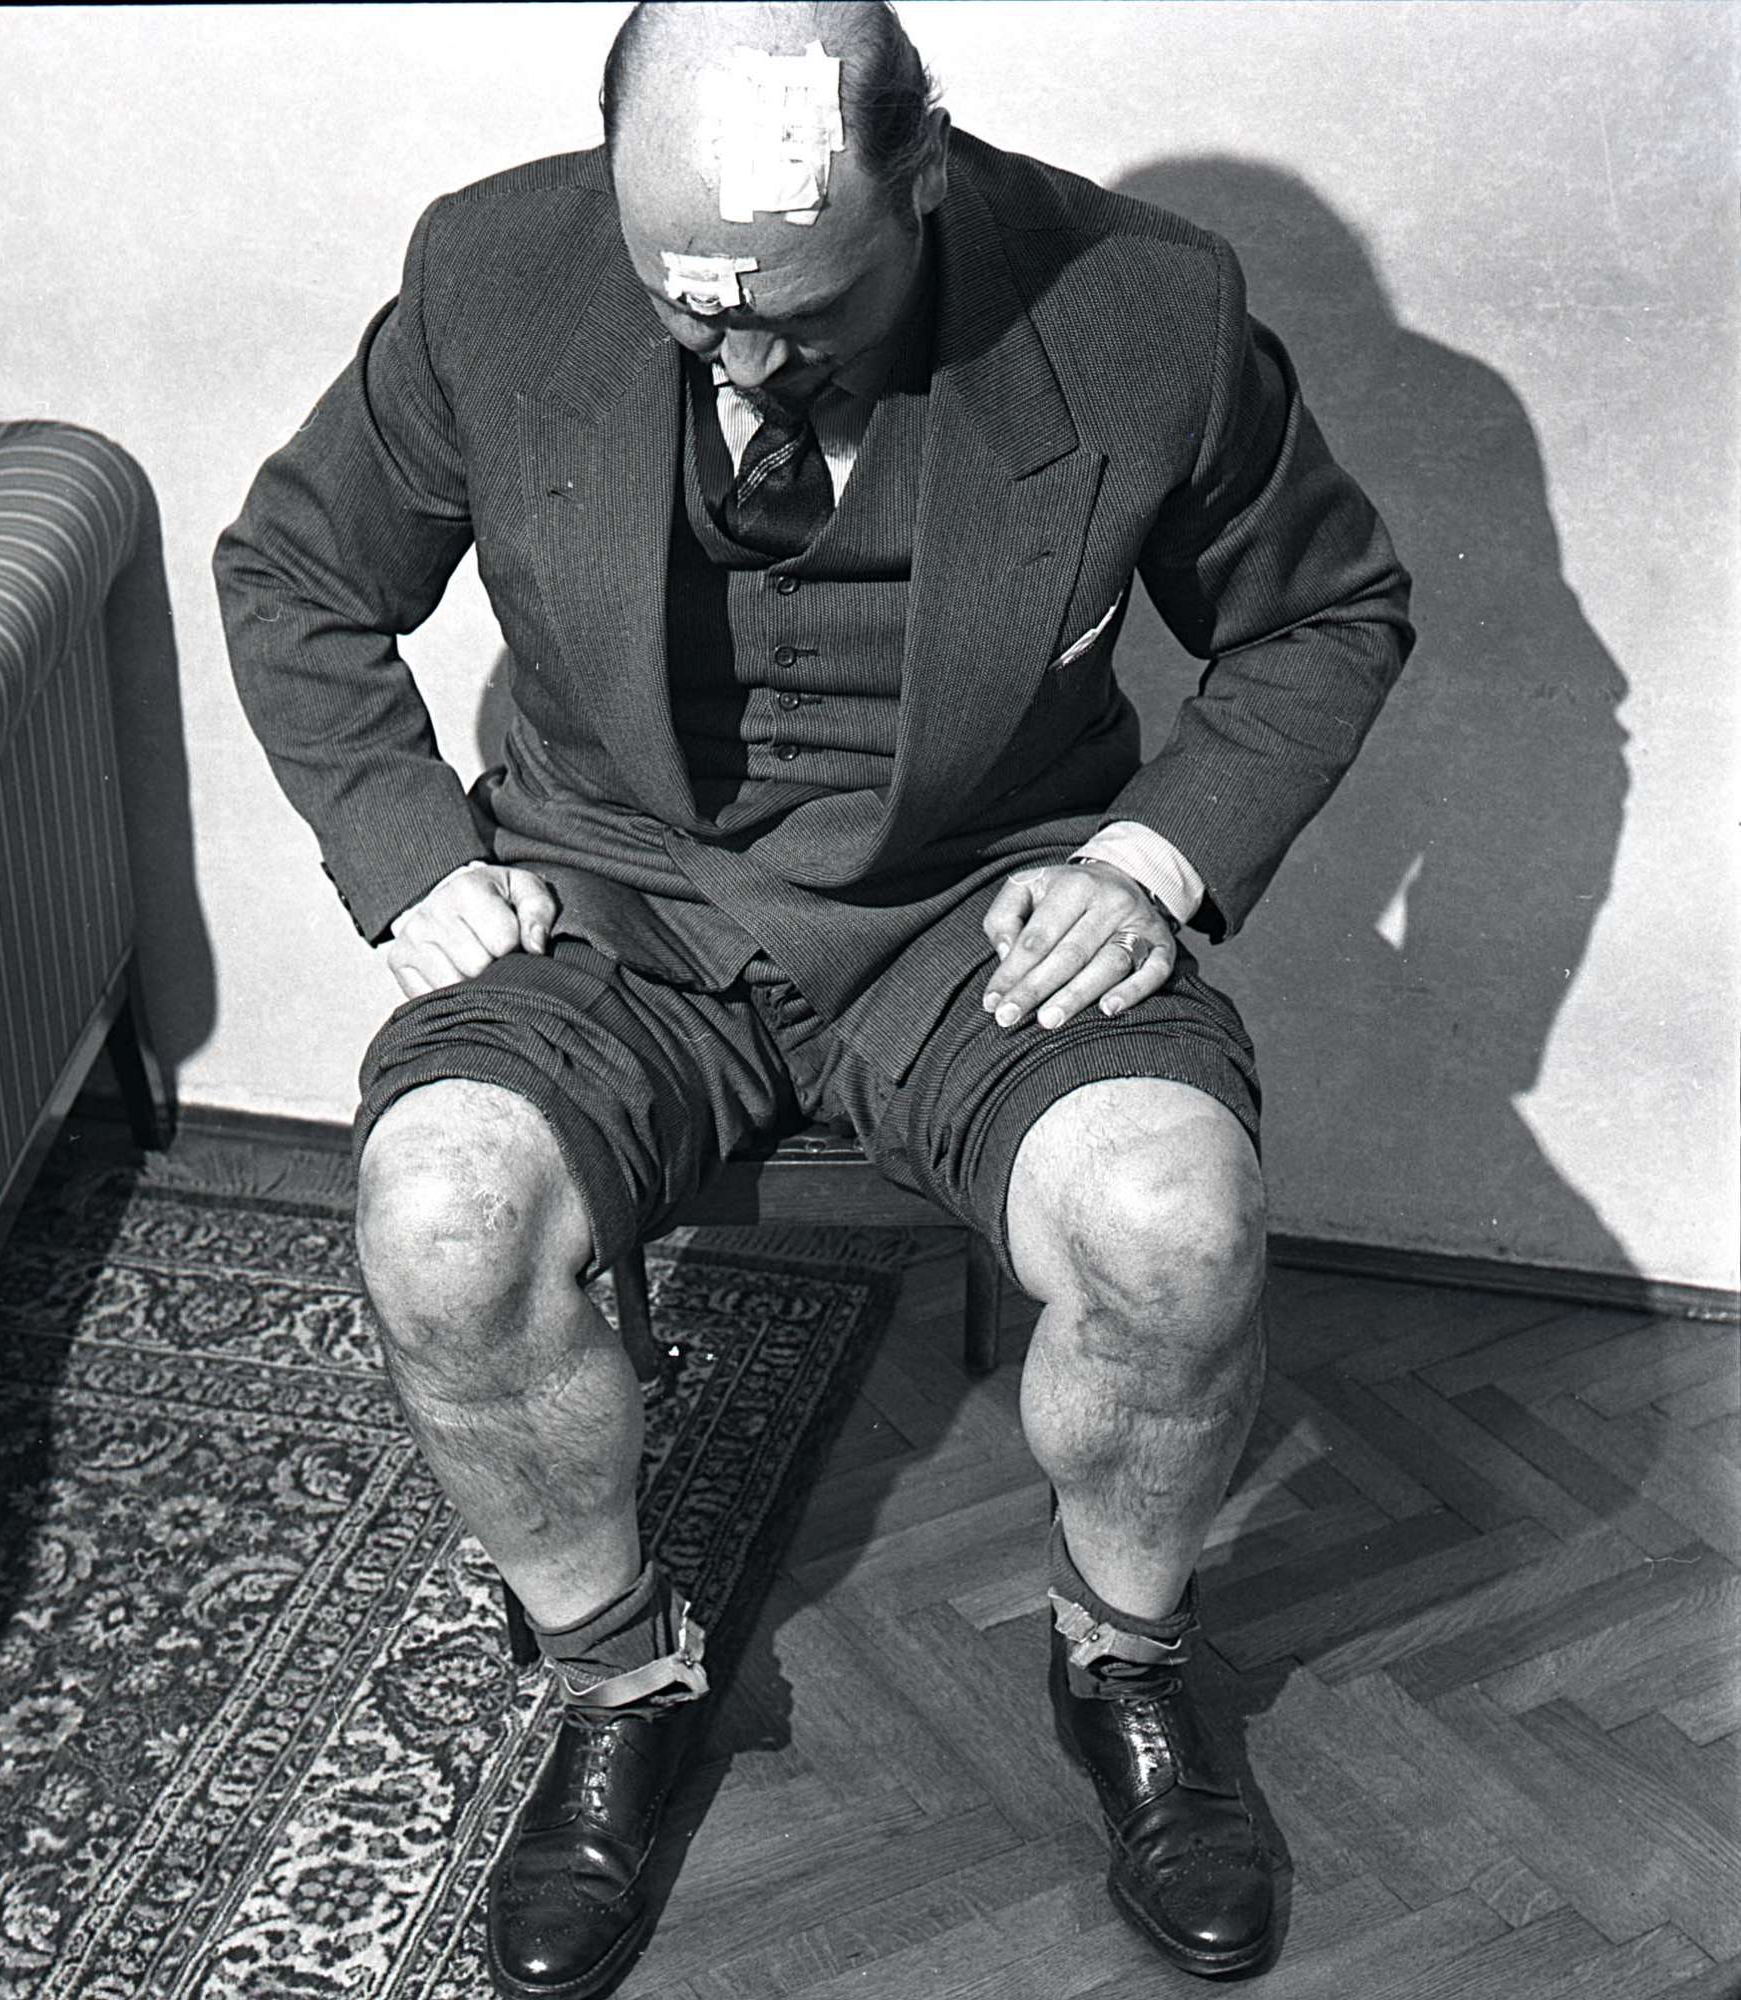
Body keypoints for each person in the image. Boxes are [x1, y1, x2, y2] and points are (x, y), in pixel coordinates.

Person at [216, 5, 1413, 1992]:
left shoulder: (1144, 310)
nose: (745, 368)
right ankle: (617, 1679)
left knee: (1175, 1230)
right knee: (441, 1226)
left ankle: (1122, 1662)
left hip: (979, 903)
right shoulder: (490, 273)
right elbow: (293, 573)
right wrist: (409, 856)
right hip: (615, 895)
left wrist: (1149, 860)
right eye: (689, 316)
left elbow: (1322, 611)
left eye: (804, 313)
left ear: (921, 171)